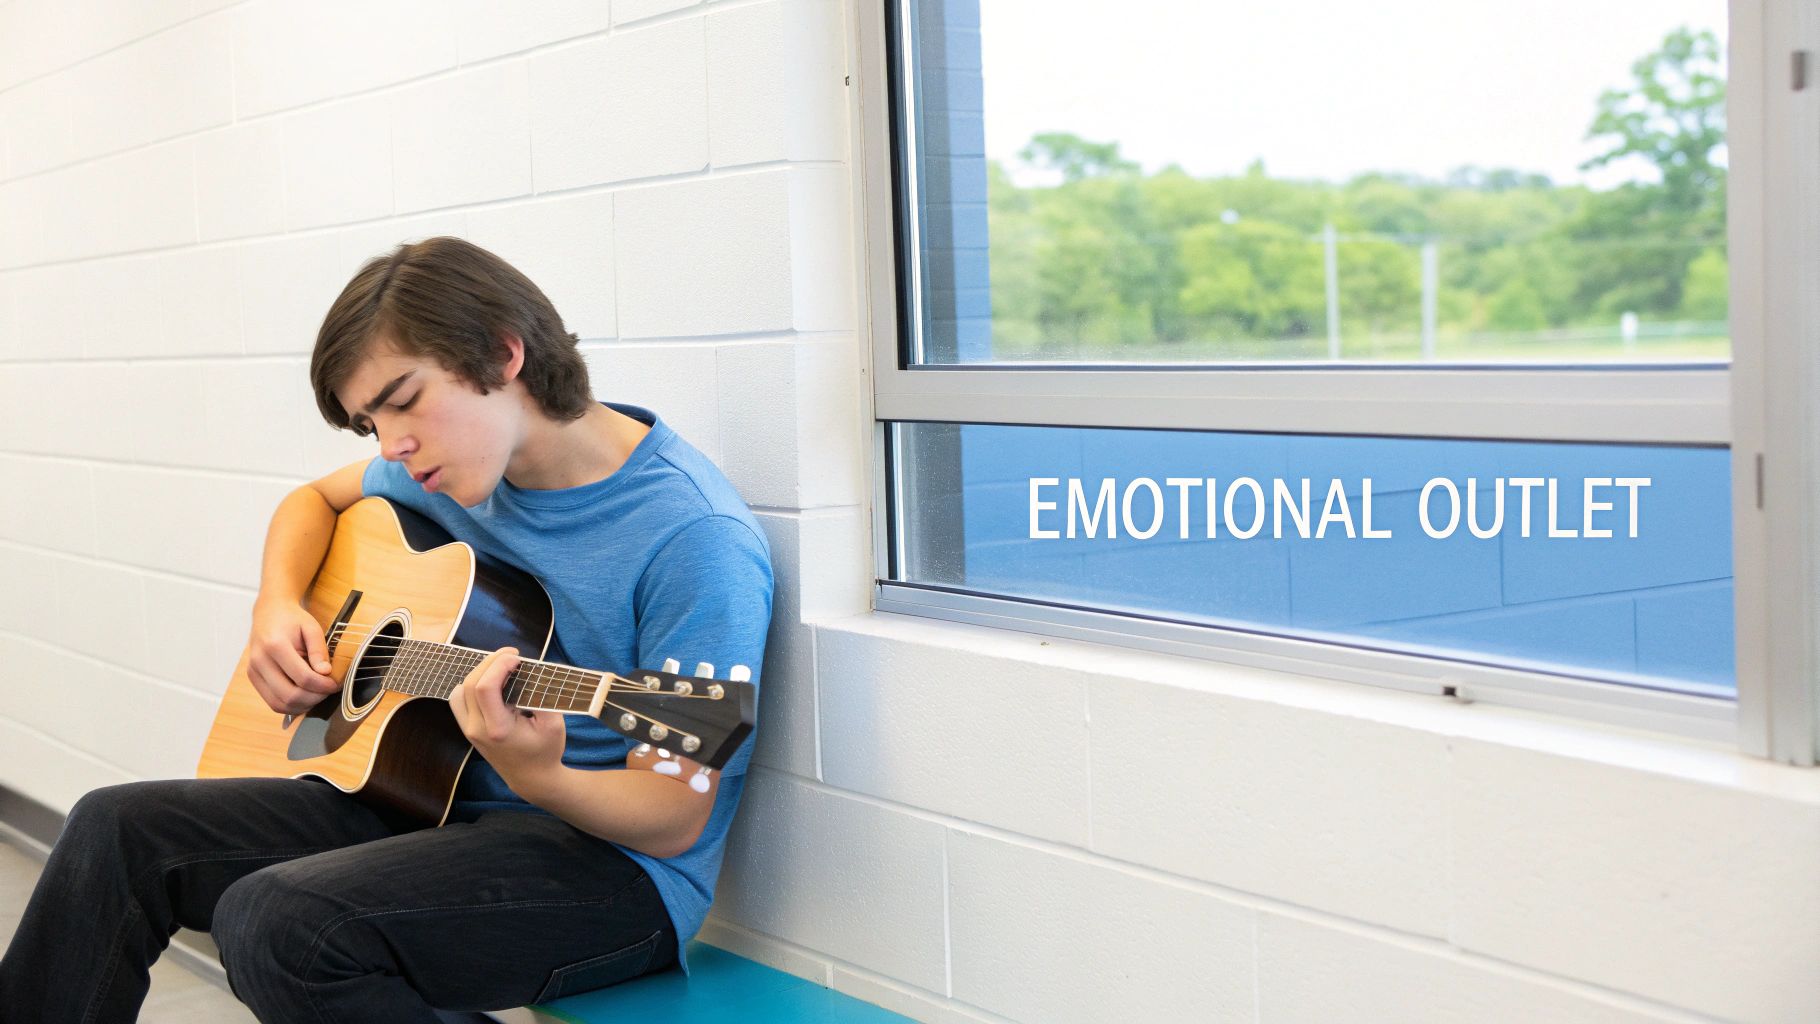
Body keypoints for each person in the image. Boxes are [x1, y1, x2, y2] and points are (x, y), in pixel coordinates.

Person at [0, 237, 774, 1022]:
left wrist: (539, 776)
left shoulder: (693, 538)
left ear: (502, 355)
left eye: (403, 400)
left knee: (280, 924)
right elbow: (312, 500)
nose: (391, 445)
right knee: (114, 828)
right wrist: (277, 606)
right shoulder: (456, 470)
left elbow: (673, 818)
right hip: (432, 801)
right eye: (370, 422)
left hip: (614, 873)